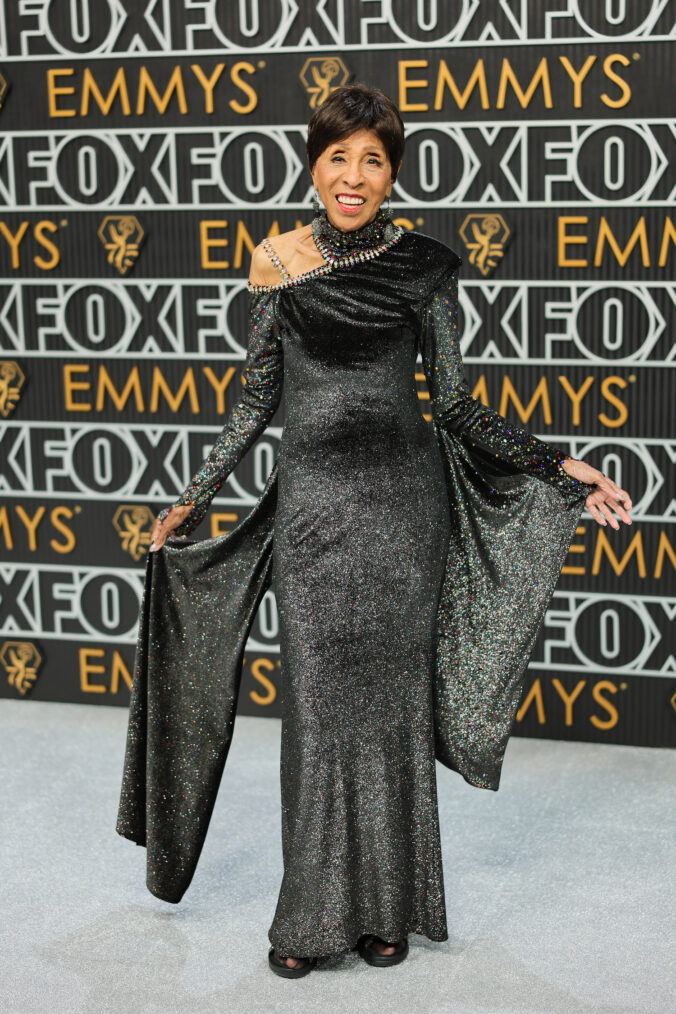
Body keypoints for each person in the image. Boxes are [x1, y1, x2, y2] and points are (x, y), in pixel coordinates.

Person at [121, 83, 633, 979]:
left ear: (392, 173)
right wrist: (196, 497)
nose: (352, 177)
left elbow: (460, 401)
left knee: (391, 712)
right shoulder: (277, 264)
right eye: (336, 157)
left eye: (372, 160)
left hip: (406, 506)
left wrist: (559, 466)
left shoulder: (425, 266)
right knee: (316, 708)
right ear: (313, 164)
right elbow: (255, 398)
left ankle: (387, 911)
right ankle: (310, 916)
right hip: (314, 508)